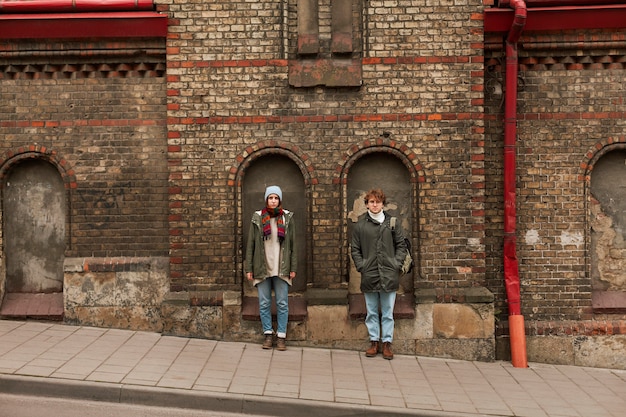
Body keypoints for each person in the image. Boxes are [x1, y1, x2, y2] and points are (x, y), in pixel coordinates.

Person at [351, 188, 407, 360]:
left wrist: (396, 264)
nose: (375, 205)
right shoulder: (360, 226)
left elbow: (401, 246)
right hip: (370, 274)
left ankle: (387, 343)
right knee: (372, 311)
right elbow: (355, 249)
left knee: (388, 311)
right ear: (367, 204)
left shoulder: (393, 223)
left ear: (383, 204)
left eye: (378, 202)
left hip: (389, 274)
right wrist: (362, 266)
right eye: (371, 202)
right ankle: (374, 341)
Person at [245, 185, 297, 351]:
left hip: (282, 267)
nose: (273, 201)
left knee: (282, 303)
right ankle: (268, 334)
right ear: (266, 199)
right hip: (262, 266)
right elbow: (251, 244)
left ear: (280, 200)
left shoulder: (287, 217)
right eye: (270, 198)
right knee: (264, 302)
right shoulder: (258, 217)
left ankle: (281, 336)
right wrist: (249, 268)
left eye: (276, 198)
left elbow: (293, 245)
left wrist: (293, 267)